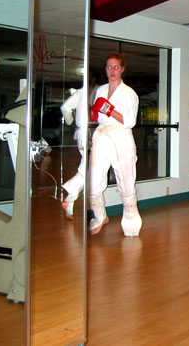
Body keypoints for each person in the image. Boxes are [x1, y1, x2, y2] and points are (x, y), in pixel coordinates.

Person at [87, 53, 141, 236]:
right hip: (102, 136)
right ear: (105, 69)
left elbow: (130, 121)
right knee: (93, 181)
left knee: (126, 182)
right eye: (109, 67)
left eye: (116, 67)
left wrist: (109, 110)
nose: (112, 70)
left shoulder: (128, 93)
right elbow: (97, 115)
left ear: (122, 69)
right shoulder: (101, 90)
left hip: (121, 137)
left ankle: (131, 221)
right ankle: (100, 216)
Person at [60, 77, 98, 219]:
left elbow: (65, 107)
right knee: (88, 168)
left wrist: (71, 123)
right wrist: (72, 123)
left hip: (84, 134)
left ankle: (69, 201)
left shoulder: (81, 93)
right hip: (89, 134)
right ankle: (70, 199)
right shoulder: (92, 92)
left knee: (88, 168)